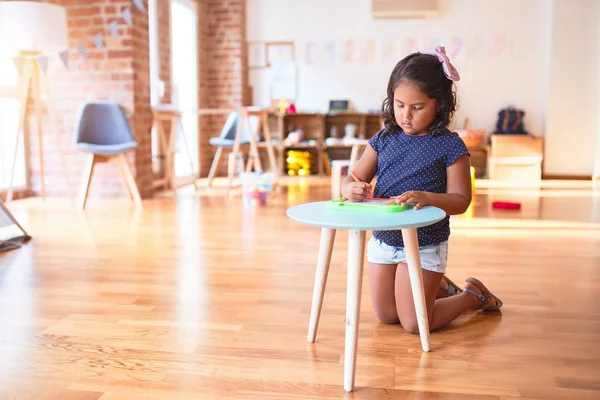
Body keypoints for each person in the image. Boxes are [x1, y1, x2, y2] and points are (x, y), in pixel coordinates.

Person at [340, 46, 502, 334]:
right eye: (399, 104)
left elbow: (461, 201)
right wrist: (351, 188)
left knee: (414, 324)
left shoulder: (451, 145)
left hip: (425, 243)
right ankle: (437, 287)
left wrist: (427, 198)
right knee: (387, 316)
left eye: (417, 108)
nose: (405, 115)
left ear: (439, 104)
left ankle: (470, 296)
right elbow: (351, 178)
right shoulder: (384, 138)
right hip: (384, 241)